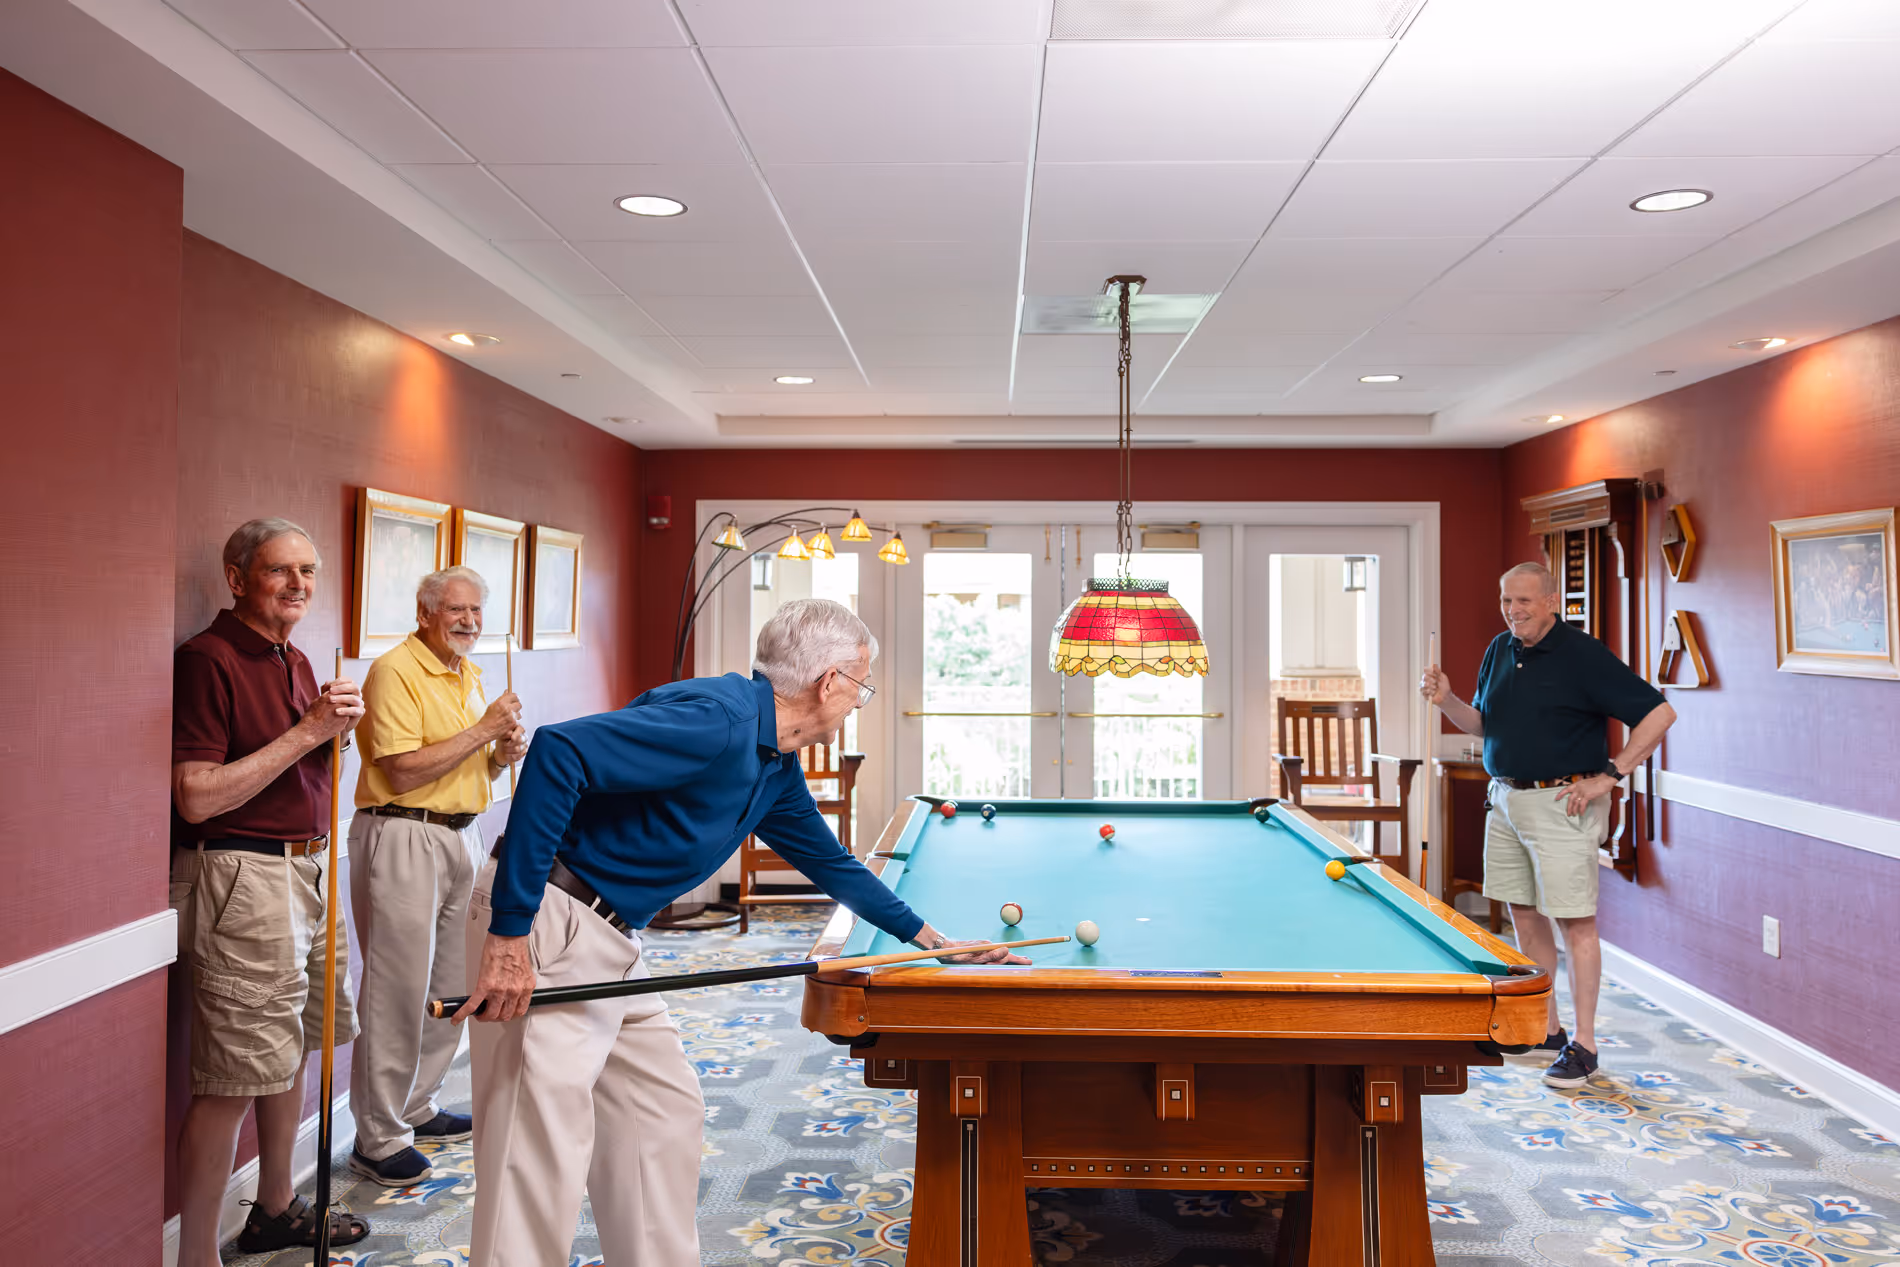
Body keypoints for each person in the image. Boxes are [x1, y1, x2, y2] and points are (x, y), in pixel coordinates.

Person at [453, 598, 1024, 1267]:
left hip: (607, 938)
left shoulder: (772, 763)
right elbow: (558, 752)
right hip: (548, 920)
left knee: (661, 1111)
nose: (859, 701)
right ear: (829, 681)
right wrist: (509, 932)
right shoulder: (717, 721)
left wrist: (931, 938)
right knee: (535, 1147)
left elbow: (830, 861)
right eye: (862, 685)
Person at [170, 518, 369, 1262]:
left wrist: (335, 732)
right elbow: (196, 795)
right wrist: (311, 730)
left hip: (310, 868)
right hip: (241, 872)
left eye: (309, 571)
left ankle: (276, 1207)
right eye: (280, 570)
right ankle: (195, 1254)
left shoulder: (298, 657)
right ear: (236, 576)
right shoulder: (208, 659)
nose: (299, 585)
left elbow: (302, 763)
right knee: (231, 1074)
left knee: (292, 1050)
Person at [1420, 562, 1676, 1089]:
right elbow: (1484, 724)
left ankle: (1585, 1045)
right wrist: (1446, 699)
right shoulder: (1499, 647)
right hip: (1507, 799)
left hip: (1563, 803)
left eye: (1525, 602)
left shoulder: (1582, 655)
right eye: (1506, 601)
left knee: (1575, 922)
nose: (1513, 611)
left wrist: (1611, 775)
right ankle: (1546, 1030)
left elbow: (1658, 714)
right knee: (1524, 916)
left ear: (1552, 600)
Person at [346, 566, 527, 1184]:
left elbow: (462, 767)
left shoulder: (468, 673)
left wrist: (498, 757)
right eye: (457, 610)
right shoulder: (394, 671)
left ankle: (417, 1105)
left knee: (453, 980)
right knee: (396, 988)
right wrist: (483, 730)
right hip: (401, 832)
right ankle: (376, 1138)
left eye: (477, 611)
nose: (470, 622)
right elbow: (400, 770)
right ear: (425, 612)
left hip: (461, 835)